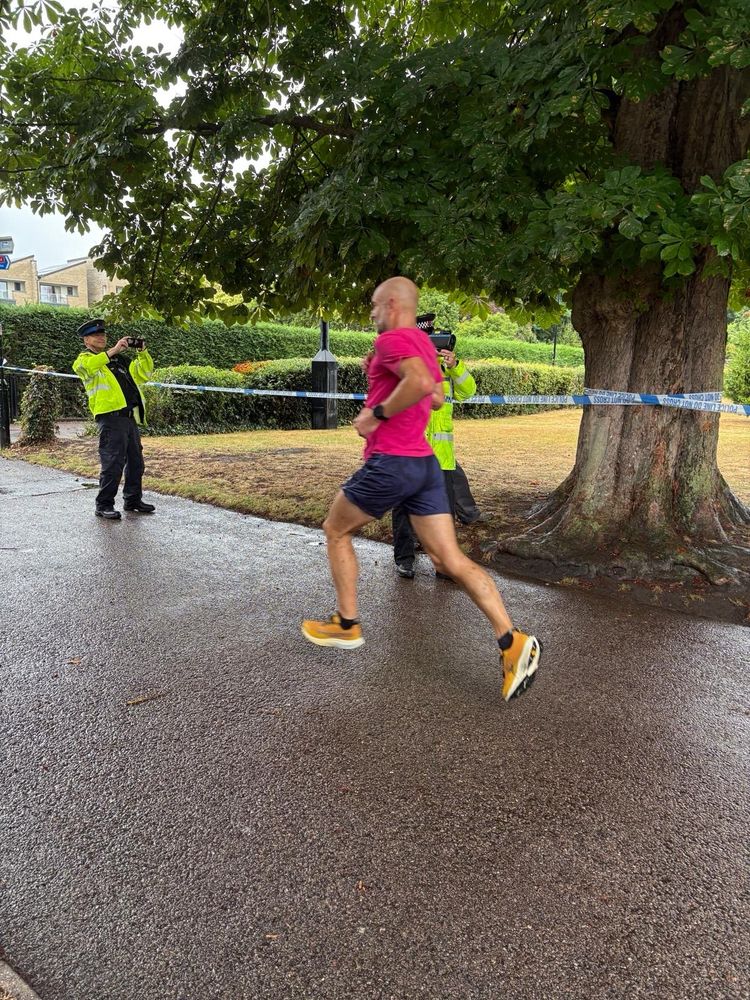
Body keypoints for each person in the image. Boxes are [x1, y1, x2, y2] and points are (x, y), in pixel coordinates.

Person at [301, 277, 541, 702]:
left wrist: (376, 412)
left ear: (393, 304)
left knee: (335, 529)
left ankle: (347, 623)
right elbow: (435, 398)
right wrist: (385, 382)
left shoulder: (393, 339)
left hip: (392, 462)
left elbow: (416, 385)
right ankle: (512, 641)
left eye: (375, 305)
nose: (371, 313)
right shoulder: (425, 347)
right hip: (426, 465)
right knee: (450, 559)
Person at [391, 344, 491, 579]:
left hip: (441, 458)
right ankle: (405, 560)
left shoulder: (446, 370)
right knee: (404, 510)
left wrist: (455, 366)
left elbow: (468, 391)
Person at [72, 318, 156, 520]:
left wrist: (142, 352)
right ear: (86, 340)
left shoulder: (120, 361)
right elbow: (88, 367)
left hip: (128, 418)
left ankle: (133, 500)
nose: (101, 337)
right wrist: (113, 350)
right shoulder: (84, 360)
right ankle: (104, 505)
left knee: (136, 463)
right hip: (110, 418)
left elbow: (144, 374)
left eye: (103, 334)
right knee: (112, 463)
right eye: (95, 335)